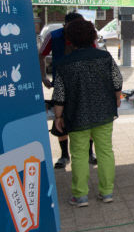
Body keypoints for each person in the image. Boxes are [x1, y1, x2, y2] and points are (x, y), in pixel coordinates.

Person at [52, 20, 122, 207]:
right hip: (104, 112)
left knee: (79, 154)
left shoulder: (64, 63)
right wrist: (117, 97)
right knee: (106, 151)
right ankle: (107, 192)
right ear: (92, 37)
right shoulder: (104, 57)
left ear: (69, 40)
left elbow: (59, 94)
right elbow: (117, 80)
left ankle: (80, 195)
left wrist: (58, 116)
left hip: (77, 114)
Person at [39, 11, 97, 169]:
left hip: (84, 86)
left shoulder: (87, 36)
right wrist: (43, 76)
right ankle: (64, 155)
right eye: (77, 25)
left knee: (87, 120)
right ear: (67, 25)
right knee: (61, 121)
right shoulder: (54, 36)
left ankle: (89, 152)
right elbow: (41, 55)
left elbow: (97, 57)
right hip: (61, 85)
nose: (80, 28)